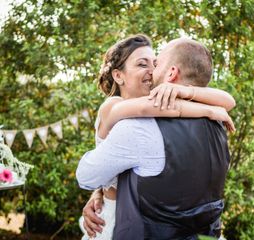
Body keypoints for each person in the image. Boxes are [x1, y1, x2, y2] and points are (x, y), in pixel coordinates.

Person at [77, 36, 234, 239]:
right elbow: (160, 108)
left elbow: (227, 100)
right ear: (118, 75)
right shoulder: (114, 106)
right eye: (143, 64)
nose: (151, 70)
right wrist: (211, 111)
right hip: (113, 215)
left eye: (154, 63)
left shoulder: (151, 114)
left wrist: (185, 92)